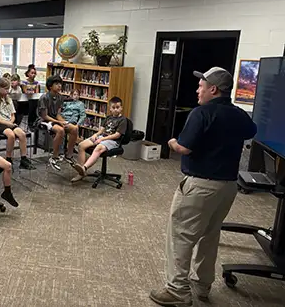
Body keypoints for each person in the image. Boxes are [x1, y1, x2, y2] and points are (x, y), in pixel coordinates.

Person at [149, 67, 257, 306]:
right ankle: (202, 285)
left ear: (213, 89)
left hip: (200, 186)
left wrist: (172, 142)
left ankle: (177, 290)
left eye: (201, 85)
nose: (198, 89)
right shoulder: (239, 114)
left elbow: (185, 148)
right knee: (210, 235)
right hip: (227, 187)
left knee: (181, 236)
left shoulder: (201, 113)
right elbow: (252, 131)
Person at [72, 96, 127, 182]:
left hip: (113, 141)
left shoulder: (123, 120)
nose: (115, 109)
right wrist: (96, 135)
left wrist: (102, 139)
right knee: (81, 145)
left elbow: (117, 135)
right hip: (103, 137)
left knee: (98, 148)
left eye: (117, 107)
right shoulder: (108, 118)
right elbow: (102, 130)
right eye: (113, 107)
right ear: (110, 109)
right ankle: (81, 173)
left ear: (121, 108)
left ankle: (84, 168)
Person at [0, 78, 35, 170]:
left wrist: (10, 122)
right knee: (11, 135)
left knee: (22, 134)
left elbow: (13, 115)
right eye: (5, 89)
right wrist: (7, 123)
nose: (7, 91)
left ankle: (23, 159)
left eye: (8, 89)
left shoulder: (9, 100)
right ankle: (8, 158)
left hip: (8, 122)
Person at [36, 74, 78, 171]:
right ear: (50, 86)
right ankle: (54, 157)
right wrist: (59, 122)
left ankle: (69, 155)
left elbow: (58, 114)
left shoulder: (60, 97)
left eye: (60, 84)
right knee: (60, 131)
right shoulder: (44, 97)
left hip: (54, 119)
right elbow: (44, 116)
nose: (59, 86)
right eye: (56, 84)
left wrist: (63, 122)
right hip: (44, 121)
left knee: (74, 128)